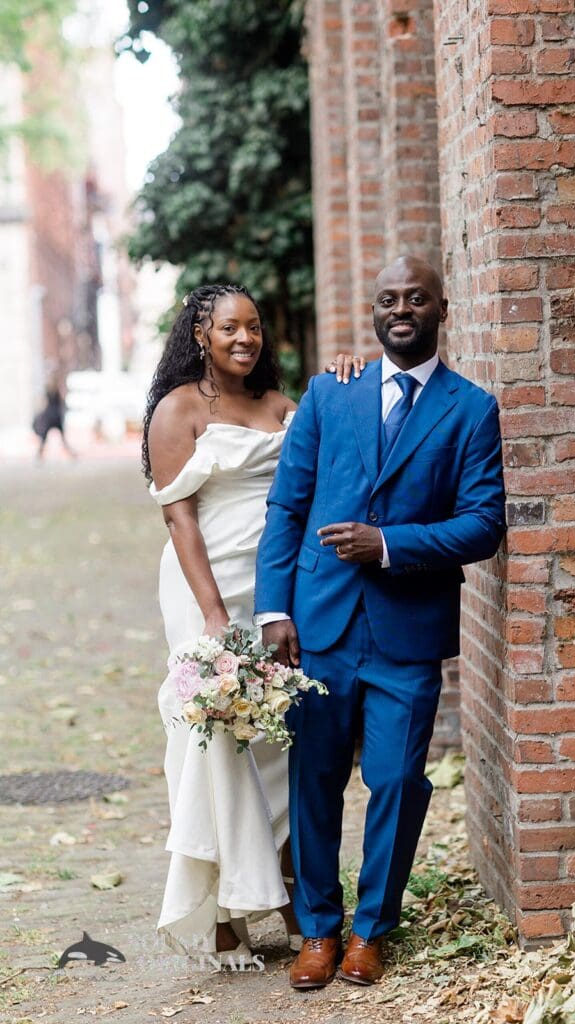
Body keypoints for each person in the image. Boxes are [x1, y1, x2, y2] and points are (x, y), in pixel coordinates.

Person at [255, 256, 507, 988]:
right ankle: (318, 930)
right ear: (373, 312)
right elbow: (286, 507)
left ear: (441, 310)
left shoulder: (469, 408)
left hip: (406, 631)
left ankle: (371, 928)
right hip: (320, 624)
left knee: (397, 780)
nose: (401, 309)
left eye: (416, 298)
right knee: (314, 780)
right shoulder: (330, 396)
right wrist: (274, 607)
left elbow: (482, 525)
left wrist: (390, 545)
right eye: (388, 299)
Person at [143, 283, 365, 963]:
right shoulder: (177, 410)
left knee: (277, 745)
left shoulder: (277, 405)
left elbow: (327, 452)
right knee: (211, 743)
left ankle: (287, 889)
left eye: (255, 328)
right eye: (229, 328)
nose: (245, 339)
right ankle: (214, 912)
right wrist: (211, 612)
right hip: (205, 587)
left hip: (272, 588)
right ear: (200, 334)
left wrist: (344, 382)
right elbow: (178, 516)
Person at [33, 373, 77, 460]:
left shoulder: (48, 391)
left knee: (44, 439)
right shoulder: (56, 391)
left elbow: (44, 404)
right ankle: (71, 454)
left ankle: (39, 455)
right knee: (62, 439)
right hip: (56, 416)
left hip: (49, 416)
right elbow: (61, 402)